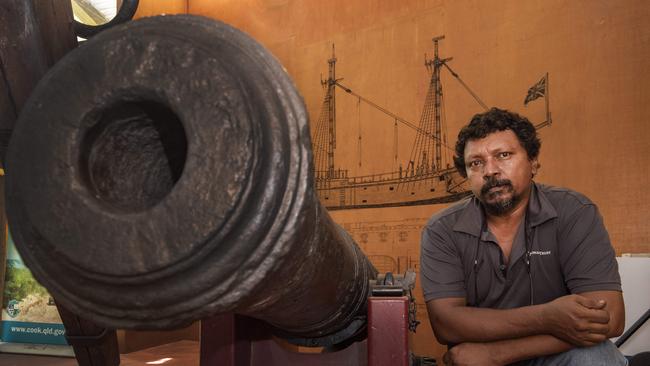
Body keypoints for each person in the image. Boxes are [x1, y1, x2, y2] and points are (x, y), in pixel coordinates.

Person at [420, 108, 627, 365]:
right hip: (477, 360)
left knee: (595, 357)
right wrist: (549, 316)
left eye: (503, 155)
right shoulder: (441, 229)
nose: (490, 171)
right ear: (466, 174)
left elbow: (611, 318)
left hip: (552, 355)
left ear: (533, 161)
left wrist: (498, 354)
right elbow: (446, 324)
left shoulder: (574, 211)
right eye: (476, 163)